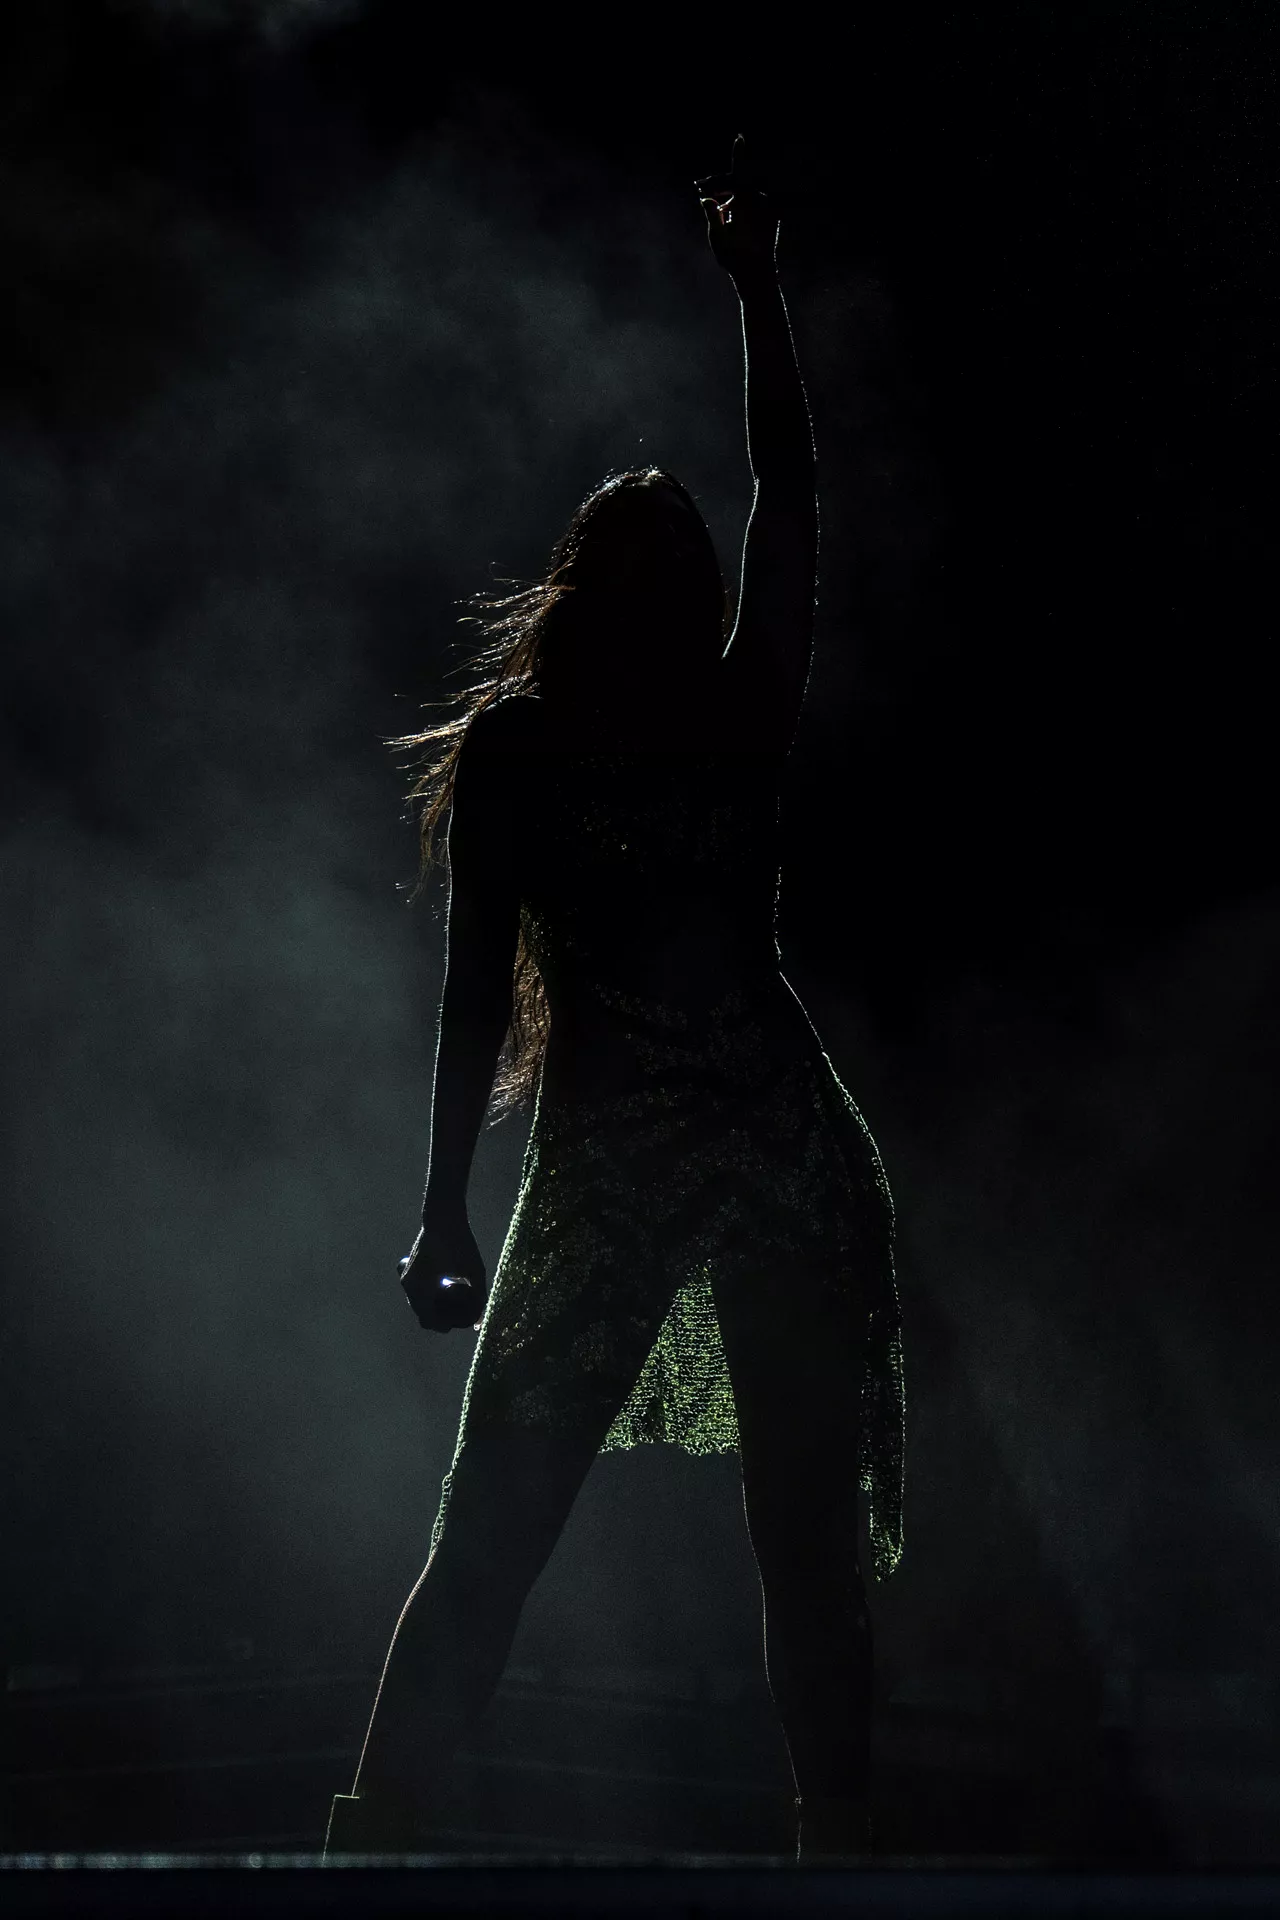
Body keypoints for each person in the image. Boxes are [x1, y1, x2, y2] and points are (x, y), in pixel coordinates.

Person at [324, 137, 904, 1863]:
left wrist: (759, 292)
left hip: (763, 1151)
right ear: (597, 594)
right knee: (529, 1525)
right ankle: (383, 1848)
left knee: (758, 1540)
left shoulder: (686, 719)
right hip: (662, 1159)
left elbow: (791, 491)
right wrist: (442, 1204)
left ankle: (836, 1855)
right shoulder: (578, 742)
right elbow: (469, 996)